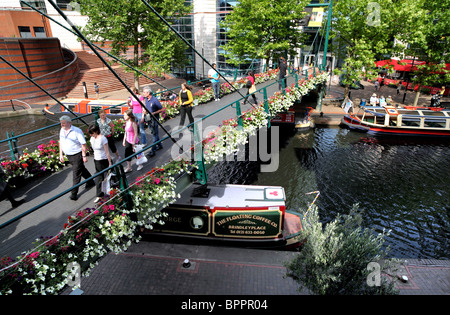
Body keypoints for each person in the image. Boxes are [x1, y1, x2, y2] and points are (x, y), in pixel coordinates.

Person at [59, 115, 95, 201]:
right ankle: (90, 181)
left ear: (69, 123)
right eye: (61, 123)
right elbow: (61, 142)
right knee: (81, 169)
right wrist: (61, 154)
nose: (62, 125)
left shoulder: (77, 131)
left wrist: (84, 156)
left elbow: (83, 144)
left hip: (77, 155)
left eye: (63, 123)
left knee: (76, 174)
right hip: (69, 155)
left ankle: (73, 194)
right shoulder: (62, 130)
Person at [88, 124, 112, 203]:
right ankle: (99, 195)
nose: (90, 135)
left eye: (91, 133)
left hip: (104, 159)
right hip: (97, 160)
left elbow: (107, 151)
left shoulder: (103, 139)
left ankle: (113, 188)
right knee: (99, 177)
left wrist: (110, 162)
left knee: (109, 175)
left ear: (95, 132)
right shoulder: (92, 138)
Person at [143, 87, 164, 156]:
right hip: (149, 119)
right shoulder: (146, 99)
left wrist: (154, 113)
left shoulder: (155, 100)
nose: (143, 93)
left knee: (154, 134)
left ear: (148, 93)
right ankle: (160, 145)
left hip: (154, 119)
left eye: (144, 92)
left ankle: (153, 149)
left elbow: (162, 109)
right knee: (154, 133)